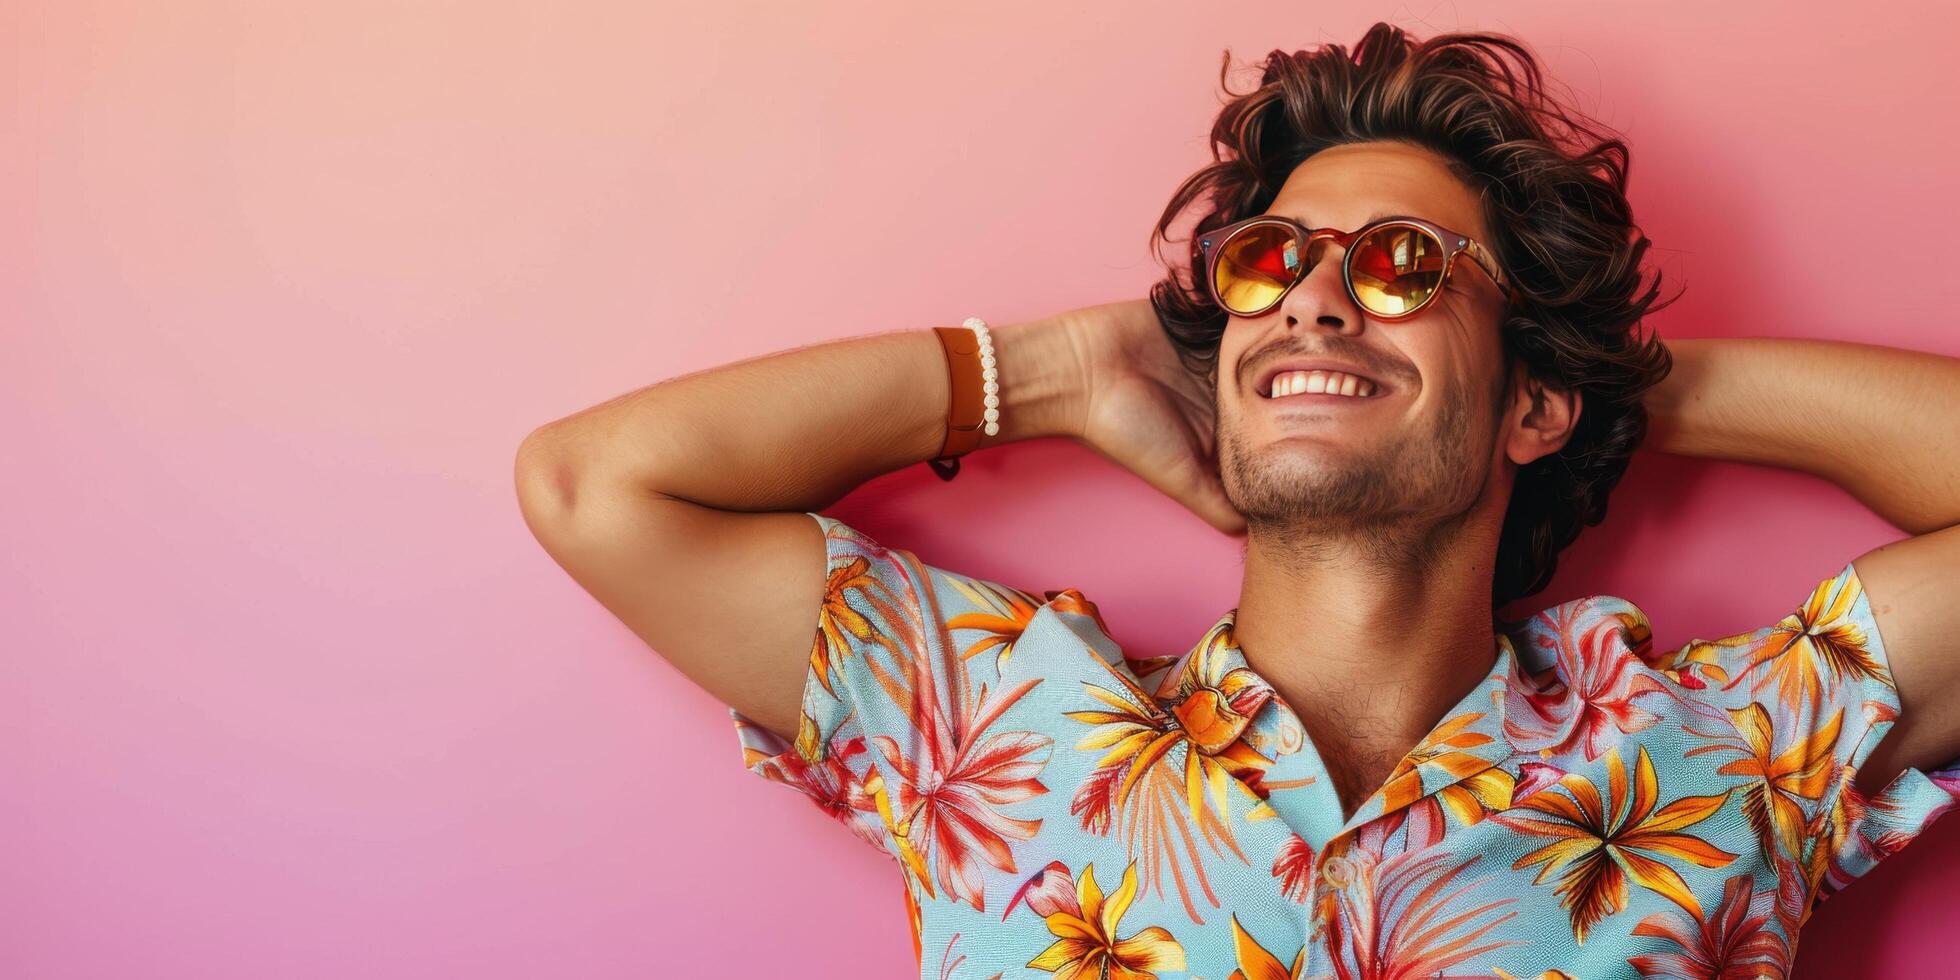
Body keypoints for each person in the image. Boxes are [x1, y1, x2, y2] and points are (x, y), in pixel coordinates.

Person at [513, 21, 1960, 979]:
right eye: (1269, 263)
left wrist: (1596, 372)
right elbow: (596, 485)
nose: (1316, 302)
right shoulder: (993, 728)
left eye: (1402, 267)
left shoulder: (1718, 762)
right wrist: (1055, 368)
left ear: (1529, 402)